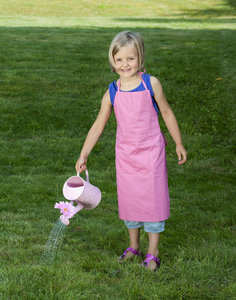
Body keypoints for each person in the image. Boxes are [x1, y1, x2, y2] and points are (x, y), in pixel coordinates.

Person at [75, 31, 187, 271]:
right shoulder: (112, 91)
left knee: (154, 202)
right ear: (113, 62)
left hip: (151, 154)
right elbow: (98, 124)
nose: (125, 64)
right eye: (119, 60)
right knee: (130, 202)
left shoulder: (151, 84)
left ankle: (152, 252)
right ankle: (134, 246)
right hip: (126, 157)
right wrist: (84, 154)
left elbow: (166, 112)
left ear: (140, 58)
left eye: (130, 59)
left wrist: (178, 142)